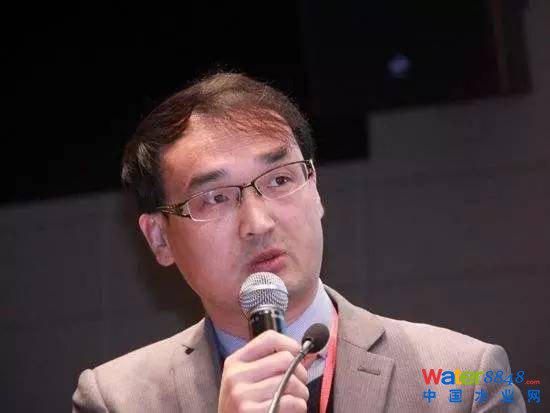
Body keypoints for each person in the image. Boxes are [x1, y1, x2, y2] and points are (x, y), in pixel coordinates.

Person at [72, 72, 526, 412]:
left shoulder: (465, 378)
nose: (258, 223)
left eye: (280, 179)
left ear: (316, 189)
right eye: (215, 198)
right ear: (159, 239)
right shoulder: (116, 399)